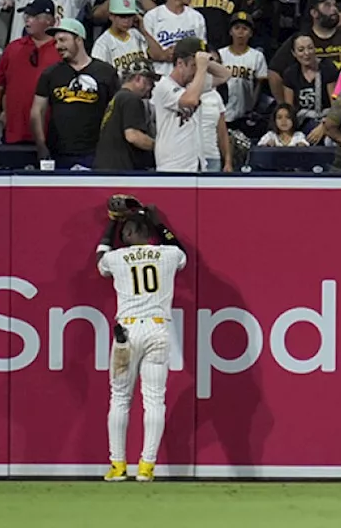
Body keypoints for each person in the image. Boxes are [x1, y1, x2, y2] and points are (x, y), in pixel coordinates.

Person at [96, 198, 186, 483]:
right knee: (154, 400)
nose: (123, 236)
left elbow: (100, 258)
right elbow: (180, 251)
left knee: (120, 398)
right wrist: (158, 222)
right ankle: (146, 467)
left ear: (130, 234)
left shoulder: (117, 257)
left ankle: (118, 466)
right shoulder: (168, 254)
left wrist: (113, 220)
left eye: (125, 232)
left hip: (127, 334)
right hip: (157, 333)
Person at [31, 18, 120, 168]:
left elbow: (115, 111)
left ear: (78, 39)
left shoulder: (105, 72)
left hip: (96, 152)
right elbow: (37, 111)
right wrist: (41, 145)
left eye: (63, 40)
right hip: (58, 153)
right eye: (56, 42)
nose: (58, 46)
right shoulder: (50, 74)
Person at [0, 0, 60, 145]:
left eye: (33, 16)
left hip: (52, 134)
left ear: (49, 20)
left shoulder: (61, 50)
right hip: (15, 131)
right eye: (26, 16)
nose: (27, 20)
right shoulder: (13, 48)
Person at [152, 38, 212, 172]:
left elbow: (225, 75)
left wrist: (206, 62)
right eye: (193, 65)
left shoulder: (193, 84)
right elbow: (191, 100)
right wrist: (202, 68)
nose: (197, 71)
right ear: (179, 63)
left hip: (196, 165)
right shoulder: (164, 86)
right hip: (173, 167)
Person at [143, 0, 206, 77]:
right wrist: (163, 55)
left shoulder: (197, 17)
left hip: (189, 79)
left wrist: (181, 53)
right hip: (161, 78)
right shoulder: (152, 17)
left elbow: (202, 50)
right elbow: (147, 53)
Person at [94, 71, 156, 172]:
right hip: (120, 170)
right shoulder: (131, 99)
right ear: (138, 78)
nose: (151, 90)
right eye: (150, 83)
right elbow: (133, 136)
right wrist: (159, 147)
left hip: (105, 167)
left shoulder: (117, 98)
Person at [218, 12, 270, 132]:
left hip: (245, 112)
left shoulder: (257, 56)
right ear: (230, 31)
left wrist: (252, 107)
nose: (240, 32)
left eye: (245, 29)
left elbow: (259, 84)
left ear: (251, 33)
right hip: (223, 111)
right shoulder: (220, 54)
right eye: (237, 28)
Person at [282, 34, 340, 135]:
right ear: (294, 53)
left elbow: (335, 107)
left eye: (310, 48)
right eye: (301, 50)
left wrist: (323, 127)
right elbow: (289, 109)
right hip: (302, 122)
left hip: (326, 121)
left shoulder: (328, 69)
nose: (307, 53)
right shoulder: (290, 74)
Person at [93, 0, 153, 81]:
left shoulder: (137, 34)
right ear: (111, 16)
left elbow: (154, 56)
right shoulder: (102, 44)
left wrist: (143, 30)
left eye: (130, 16)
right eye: (122, 16)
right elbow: (99, 75)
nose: (127, 21)